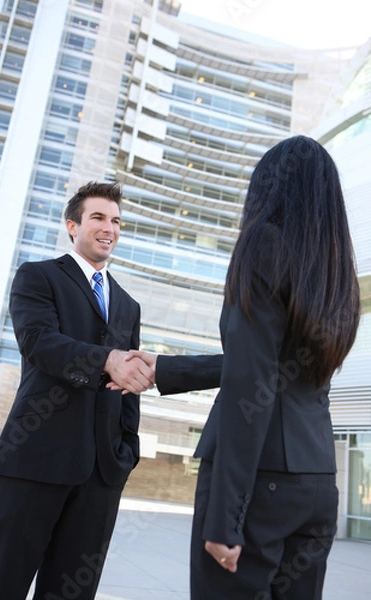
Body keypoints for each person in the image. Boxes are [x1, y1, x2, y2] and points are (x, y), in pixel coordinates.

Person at [126, 136, 361, 599]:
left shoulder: (263, 243)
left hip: (259, 486)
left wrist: (225, 517)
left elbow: (250, 385)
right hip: (317, 485)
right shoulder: (336, 272)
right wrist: (171, 369)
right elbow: (277, 368)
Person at [0, 181, 155, 600]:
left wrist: (127, 449)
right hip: (31, 462)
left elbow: (130, 385)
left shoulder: (129, 305)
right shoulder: (38, 276)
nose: (109, 227)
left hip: (100, 477)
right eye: (98, 217)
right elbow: (40, 343)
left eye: (116, 221)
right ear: (72, 225)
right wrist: (105, 360)